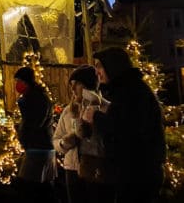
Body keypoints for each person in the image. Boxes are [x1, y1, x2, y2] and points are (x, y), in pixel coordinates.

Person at [83, 47, 165, 203]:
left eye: (100, 66)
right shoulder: (126, 90)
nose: (97, 71)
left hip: (138, 173)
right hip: (132, 172)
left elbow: (127, 130)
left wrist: (96, 117)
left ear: (113, 67)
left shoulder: (132, 92)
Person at [53, 64, 110, 203]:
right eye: (71, 84)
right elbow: (56, 138)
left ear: (88, 86)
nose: (72, 89)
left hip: (96, 169)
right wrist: (64, 143)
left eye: (77, 84)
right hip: (72, 170)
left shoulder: (106, 108)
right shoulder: (68, 111)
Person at [13, 66, 57, 202]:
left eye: (19, 81)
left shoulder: (35, 99)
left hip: (38, 149)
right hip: (40, 147)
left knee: (31, 188)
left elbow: (33, 124)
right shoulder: (36, 97)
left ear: (26, 82)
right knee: (40, 188)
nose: (17, 84)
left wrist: (23, 136)